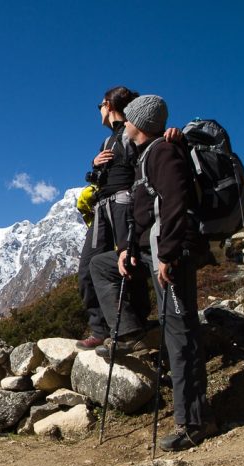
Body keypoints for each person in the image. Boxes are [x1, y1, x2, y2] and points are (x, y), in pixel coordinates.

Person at [90, 95, 216, 451]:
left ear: (140, 125)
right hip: (147, 251)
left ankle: (194, 421)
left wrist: (170, 255)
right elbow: (143, 214)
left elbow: (176, 204)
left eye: (128, 120)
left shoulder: (163, 153)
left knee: (180, 332)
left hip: (170, 255)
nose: (124, 125)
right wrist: (128, 248)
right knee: (102, 265)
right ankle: (130, 331)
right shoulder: (144, 157)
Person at [75, 86, 150, 350]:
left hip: (124, 204)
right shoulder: (107, 142)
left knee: (128, 263)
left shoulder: (133, 132)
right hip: (102, 207)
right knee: (87, 268)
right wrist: (95, 167)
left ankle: (134, 327)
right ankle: (100, 329)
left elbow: (149, 154)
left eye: (100, 105)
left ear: (108, 104)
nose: (99, 110)